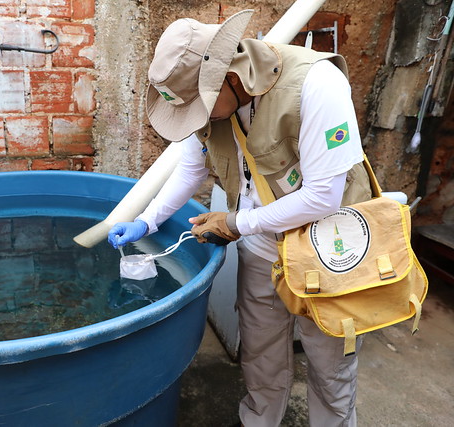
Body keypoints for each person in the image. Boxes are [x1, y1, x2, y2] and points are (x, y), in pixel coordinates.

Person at [107, 9, 374, 427]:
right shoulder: (213, 108)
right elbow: (191, 169)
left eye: (202, 108)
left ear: (230, 77)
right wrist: (148, 221)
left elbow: (323, 196)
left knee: (330, 367)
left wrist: (235, 224)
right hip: (262, 245)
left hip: (330, 250)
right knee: (260, 357)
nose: (202, 121)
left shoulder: (316, 84)